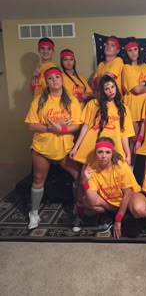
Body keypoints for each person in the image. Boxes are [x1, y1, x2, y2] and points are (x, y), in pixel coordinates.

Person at [25, 67, 82, 229]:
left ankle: (77, 211)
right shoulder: (39, 100)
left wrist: (61, 129)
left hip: (64, 148)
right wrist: (51, 128)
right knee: (38, 179)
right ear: (46, 82)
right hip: (43, 147)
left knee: (78, 177)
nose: (54, 80)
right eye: (50, 78)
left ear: (62, 79)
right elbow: (31, 125)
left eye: (57, 77)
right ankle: (34, 213)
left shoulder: (71, 100)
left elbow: (77, 125)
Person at [81, 136, 146, 238]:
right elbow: (92, 200)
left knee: (140, 210)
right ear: (95, 153)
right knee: (87, 201)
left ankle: (124, 216)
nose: (104, 156)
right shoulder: (92, 169)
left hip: (129, 197)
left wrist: (118, 219)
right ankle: (116, 213)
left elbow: (127, 194)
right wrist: (84, 181)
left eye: (107, 152)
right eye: (100, 152)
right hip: (110, 201)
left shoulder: (121, 166)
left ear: (112, 153)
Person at [69, 75, 134, 167]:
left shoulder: (123, 109)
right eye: (107, 89)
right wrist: (76, 148)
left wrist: (128, 154)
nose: (111, 91)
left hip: (114, 147)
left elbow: (124, 134)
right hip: (92, 146)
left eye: (112, 87)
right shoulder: (93, 104)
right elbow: (85, 127)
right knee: (86, 176)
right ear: (103, 91)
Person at [122, 37, 146, 164]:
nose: (133, 53)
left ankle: (141, 172)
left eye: (135, 49)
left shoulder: (145, 66)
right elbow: (136, 90)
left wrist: (145, 83)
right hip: (134, 108)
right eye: (130, 50)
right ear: (126, 53)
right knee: (134, 141)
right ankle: (131, 169)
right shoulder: (127, 68)